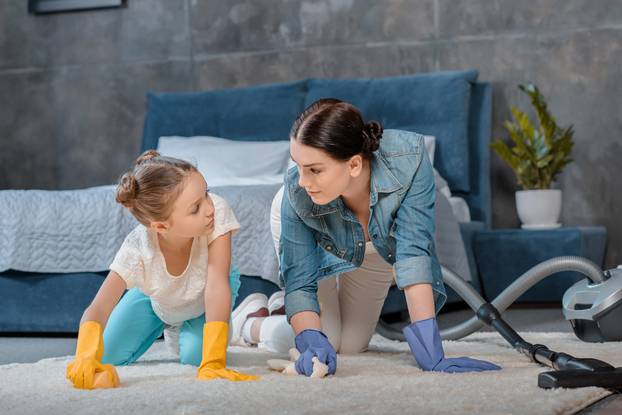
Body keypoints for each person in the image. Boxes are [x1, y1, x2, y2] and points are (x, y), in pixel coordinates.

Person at [233, 99, 501, 377]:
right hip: (316, 231)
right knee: (328, 342)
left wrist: (432, 353)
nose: (302, 180)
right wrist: (309, 337)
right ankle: (252, 323)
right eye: (298, 166)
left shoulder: (409, 162)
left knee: (350, 346)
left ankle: (281, 308)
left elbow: (413, 254)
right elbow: (301, 280)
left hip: (376, 246)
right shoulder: (297, 194)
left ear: (354, 165)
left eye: (314, 169)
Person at [65, 150, 258, 389]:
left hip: (207, 291)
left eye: (206, 193)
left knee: (196, 359)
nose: (209, 208)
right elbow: (99, 306)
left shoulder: (216, 212)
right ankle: (172, 322)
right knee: (106, 355)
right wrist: (84, 355)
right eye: (195, 208)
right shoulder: (137, 249)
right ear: (161, 226)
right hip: (158, 295)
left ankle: (234, 321)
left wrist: (214, 361)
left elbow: (217, 284)